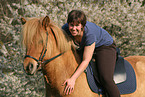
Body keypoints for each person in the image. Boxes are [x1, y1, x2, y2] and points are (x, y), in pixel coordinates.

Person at [62, 10, 120, 97]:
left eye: (77, 25)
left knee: (106, 78)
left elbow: (86, 60)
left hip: (104, 46)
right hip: (85, 46)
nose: (73, 28)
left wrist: (73, 79)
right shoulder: (65, 29)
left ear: (82, 26)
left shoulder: (90, 34)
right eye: (71, 25)